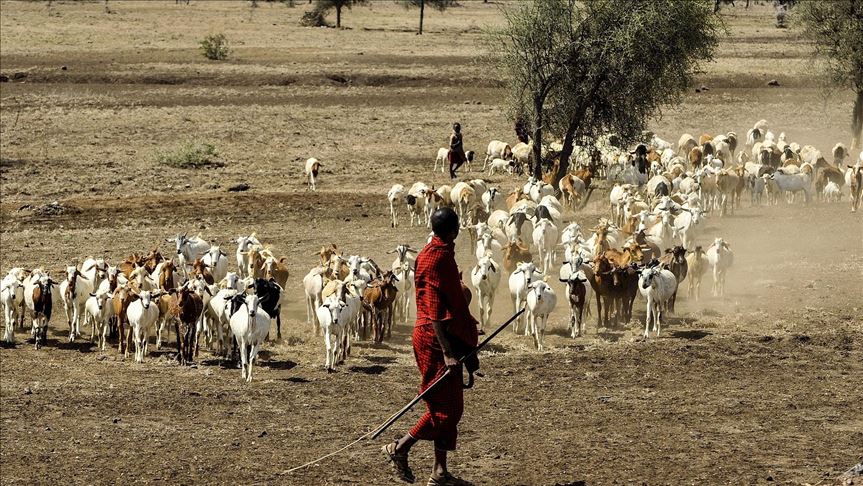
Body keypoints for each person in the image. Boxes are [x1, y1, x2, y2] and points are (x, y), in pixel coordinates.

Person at [382, 207, 479, 486]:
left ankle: (439, 473)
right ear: (453, 230)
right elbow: (435, 311)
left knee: (448, 403)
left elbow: (447, 303)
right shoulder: (437, 259)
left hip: (442, 335)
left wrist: (464, 327)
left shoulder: (433, 252)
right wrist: (448, 351)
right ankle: (400, 447)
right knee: (447, 411)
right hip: (436, 341)